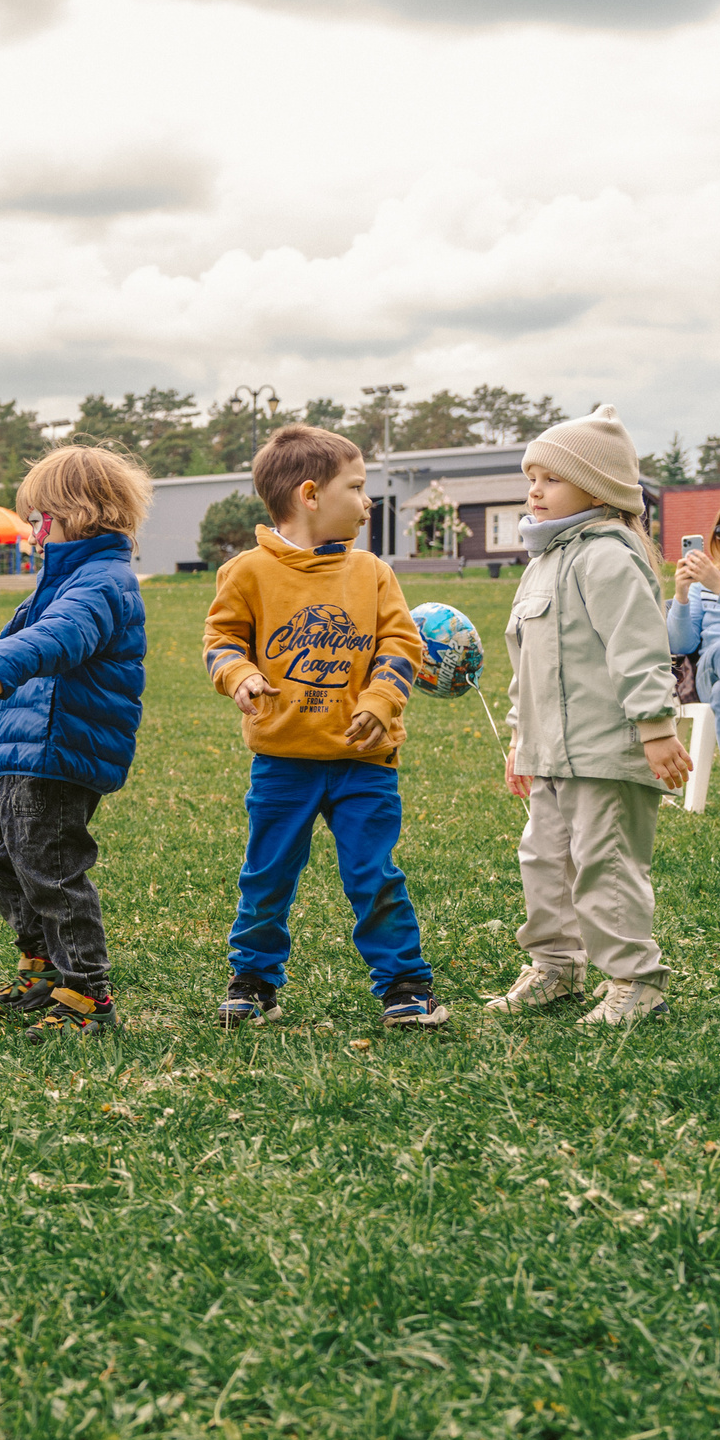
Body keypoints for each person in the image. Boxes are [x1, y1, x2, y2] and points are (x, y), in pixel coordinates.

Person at [201, 424, 445, 1030]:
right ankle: (253, 980)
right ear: (310, 495)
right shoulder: (246, 573)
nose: (367, 501)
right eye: (356, 488)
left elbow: (401, 643)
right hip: (282, 761)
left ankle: (405, 985)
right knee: (267, 875)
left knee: (373, 874)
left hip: (365, 760)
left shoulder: (372, 572)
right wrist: (240, 676)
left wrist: (382, 700)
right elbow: (222, 640)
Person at [0, 446, 152, 1039]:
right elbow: (11, 642)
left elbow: (56, 639)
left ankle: (87, 991)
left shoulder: (103, 583)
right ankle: (42, 960)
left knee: (52, 870)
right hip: (25, 751)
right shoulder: (59, 581)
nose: (34, 533)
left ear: (79, 514)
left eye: (40, 519)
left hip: (59, 752)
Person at [492, 406, 689, 1024]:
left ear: (598, 489)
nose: (535, 490)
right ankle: (556, 966)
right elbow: (526, 664)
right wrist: (522, 739)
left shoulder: (608, 557)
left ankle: (637, 981)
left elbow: (639, 649)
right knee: (545, 862)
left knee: (606, 866)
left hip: (605, 751)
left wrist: (656, 729)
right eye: (532, 478)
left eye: (551, 478)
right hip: (551, 753)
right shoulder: (543, 562)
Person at [667, 493, 720, 815]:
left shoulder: (715, 581)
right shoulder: (701, 584)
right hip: (711, 667)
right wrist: (682, 595)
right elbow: (681, 644)